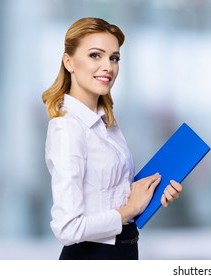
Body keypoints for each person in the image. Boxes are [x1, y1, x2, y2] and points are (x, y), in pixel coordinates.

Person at [42, 17, 183, 260]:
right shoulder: (67, 130)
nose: (108, 66)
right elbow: (67, 228)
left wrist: (153, 194)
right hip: (92, 257)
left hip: (125, 249)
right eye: (95, 55)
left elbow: (110, 197)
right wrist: (131, 209)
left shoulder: (107, 123)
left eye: (114, 58)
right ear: (69, 62)